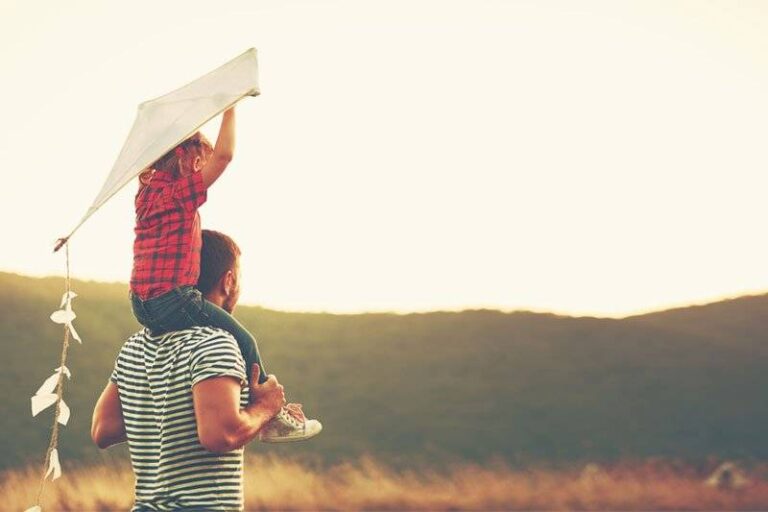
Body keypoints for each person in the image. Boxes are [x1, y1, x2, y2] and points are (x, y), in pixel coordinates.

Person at [92, 229, 321, 511]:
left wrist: (169, 411)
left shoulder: (135, 346)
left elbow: (104, 430)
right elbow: (219, 435)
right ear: (229, 281)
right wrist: (265, 408)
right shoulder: (215, 341)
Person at [129, 107, 317, 441]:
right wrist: (229, 107)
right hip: (172, 299)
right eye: (202, 160)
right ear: (191, 163)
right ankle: (271, 414)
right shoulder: (178, 195)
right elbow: (225, 156)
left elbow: (206, 156)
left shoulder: (145, 194)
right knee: (245, 341)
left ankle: (235, 398)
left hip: (140, 304)